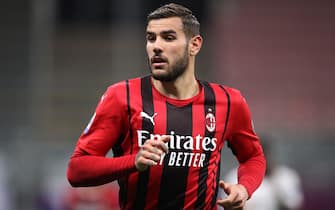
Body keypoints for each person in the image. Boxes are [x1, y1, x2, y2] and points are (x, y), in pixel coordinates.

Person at [66, 3, 266, 210]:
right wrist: (134, 161)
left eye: (168, 37)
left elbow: (253, 156)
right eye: (151, 38)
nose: (156, 46)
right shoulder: (121, 96)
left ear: (194, 45)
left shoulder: (228, 101)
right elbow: (77, 170)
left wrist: (244, 189)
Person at [221, 136, 303, 210]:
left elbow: (293, 206)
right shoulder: (233, 177)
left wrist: (275, 183)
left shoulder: (286, 176)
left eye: (264, 154)